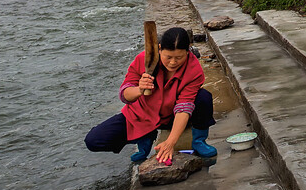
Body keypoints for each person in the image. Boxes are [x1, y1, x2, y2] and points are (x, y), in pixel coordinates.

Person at [84, 26, 218, 163]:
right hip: (141, 116)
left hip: (171, 116)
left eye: (179, 57)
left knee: (203, 97)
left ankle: (198, 141)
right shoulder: (144, 59)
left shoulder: (193, 69)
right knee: (93, 141)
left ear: (188, 51)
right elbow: (124, 95)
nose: (173, 62)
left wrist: (170, 142)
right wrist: (139, 89)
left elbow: (184, 107)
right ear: (159, 49)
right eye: (168, 57)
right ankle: (144, 137)